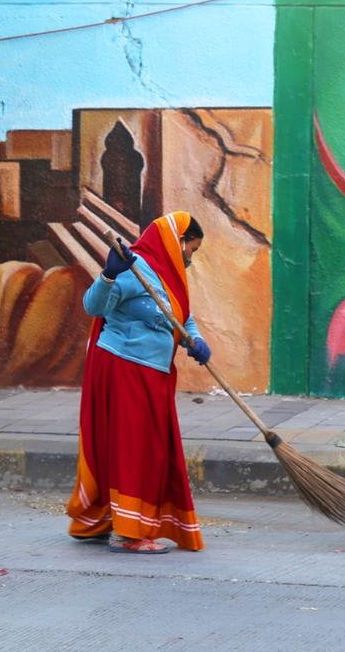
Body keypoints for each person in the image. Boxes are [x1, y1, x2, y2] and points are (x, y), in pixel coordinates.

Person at [66, 211, 211, 554]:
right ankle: (130, 532)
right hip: (124, 369)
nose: (191, 258)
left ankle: (97, 520)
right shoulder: (135, 271)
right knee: (134, 450)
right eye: (192, 248)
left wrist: (194, 339)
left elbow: (181, 315)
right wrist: (108, 275)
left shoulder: (169, 274)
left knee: (147, 449)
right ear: (178, 243)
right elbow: (93, 306)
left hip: (153, 374)